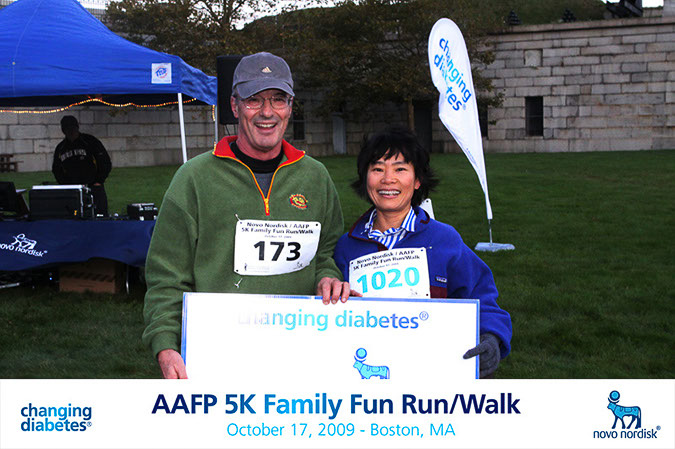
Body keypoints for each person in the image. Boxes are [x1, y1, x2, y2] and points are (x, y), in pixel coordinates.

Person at [142, 52, 350, 379]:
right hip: (218, 354)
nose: (267, 112)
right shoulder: (193, 179)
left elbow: (326, 253)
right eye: (254, 100)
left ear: (290, 106)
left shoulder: (316, 177)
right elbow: (167, 275)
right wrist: (165, 344)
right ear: (235, 106)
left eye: (278, 99)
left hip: (300, 353)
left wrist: (327, 277)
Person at [333, 126, 512, 378]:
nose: (388, 179)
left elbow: (482, 297)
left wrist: (492, 336)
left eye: (400, 169)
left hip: (431, 373)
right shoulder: (346, 248)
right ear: (365, 178)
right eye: (377, 169)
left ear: (417, 180)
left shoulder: (444, 240)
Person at [52, 115, 112, 216]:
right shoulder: (61, 148)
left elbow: (104, 162)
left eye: (73, 129)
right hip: (72, 190)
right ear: (63, 131)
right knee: (74, 216)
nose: (71, 132)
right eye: (67, 129)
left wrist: (99, 181)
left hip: (93, 187)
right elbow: (57, 169)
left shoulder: (90, 141)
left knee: (99, 215)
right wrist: (65, 185)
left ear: (77, 128)